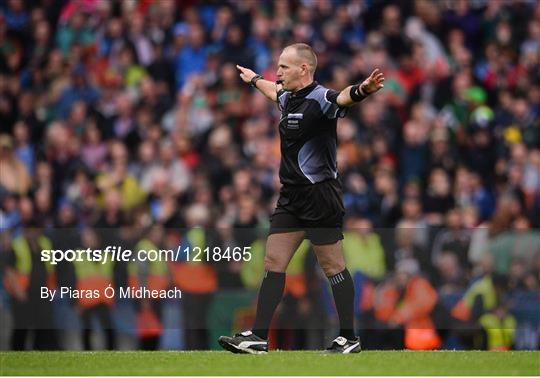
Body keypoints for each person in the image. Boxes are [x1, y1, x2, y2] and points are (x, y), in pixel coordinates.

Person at [218, 43, 384, 354]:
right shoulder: (286, 98)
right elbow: (272, 91)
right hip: (291, 196)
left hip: (320, 196)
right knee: (273, 262)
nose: (277, 72)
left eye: (283, 67)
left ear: (303, 69)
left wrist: (364, 89)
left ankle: (349, 337)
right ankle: (257, 337)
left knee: (333, 267)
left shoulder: (320, 98)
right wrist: (254, 79)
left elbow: (344, 96)